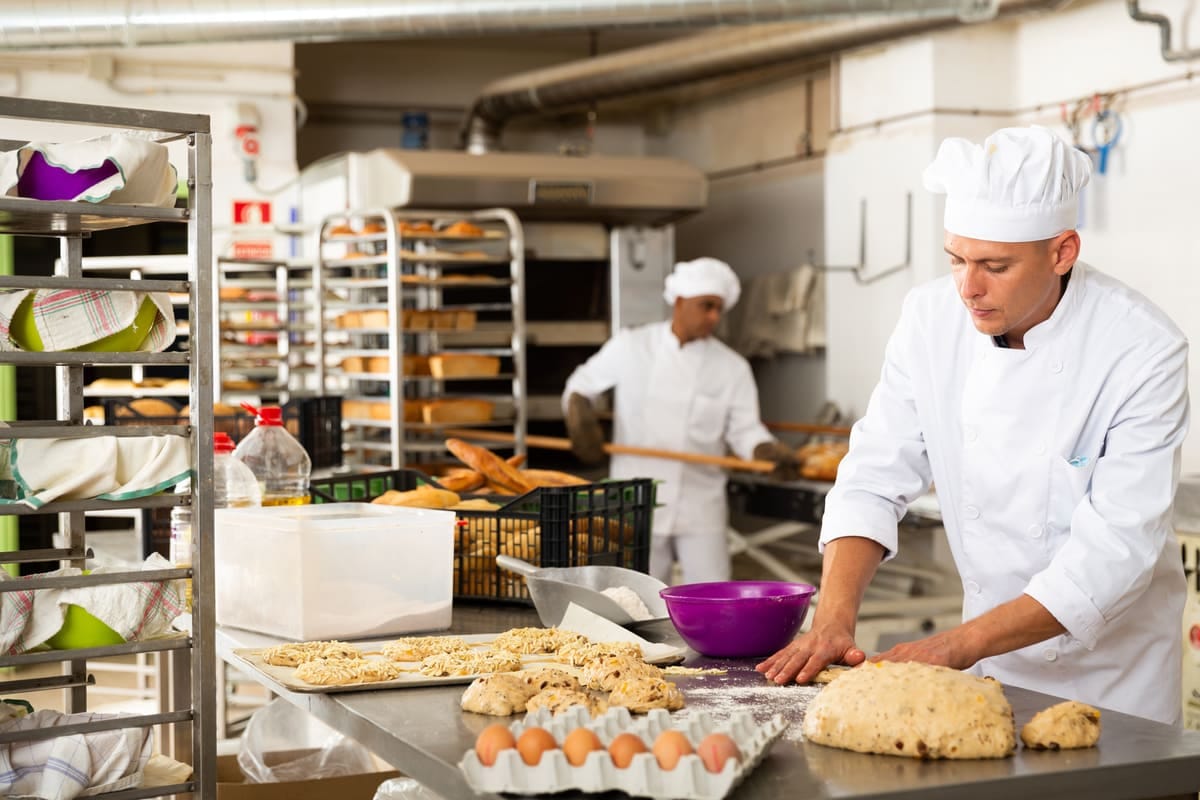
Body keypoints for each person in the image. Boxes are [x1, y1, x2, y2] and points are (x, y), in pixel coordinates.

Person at [757, 125, 1190, 725]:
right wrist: (832, 620)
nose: (968, 288)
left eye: (995, 265)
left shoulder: (1140, 346)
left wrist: (950, 646)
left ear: (1062, 250)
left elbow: (1114, 552)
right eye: (956, 259)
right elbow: (873, 476)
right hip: (981, 668)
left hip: (1112, 677)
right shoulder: (930, 318)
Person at [562, 257, 798, 585]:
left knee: (714, 599)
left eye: (719, 308)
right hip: (636, 502)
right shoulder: (633, 346)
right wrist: (579, 415)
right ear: (680, 301)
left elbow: (745, 429)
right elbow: (581, 385)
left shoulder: (731, 367)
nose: (714, 316)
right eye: (707, 306)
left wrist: (763, 450)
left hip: (700, 506)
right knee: (634, 601)